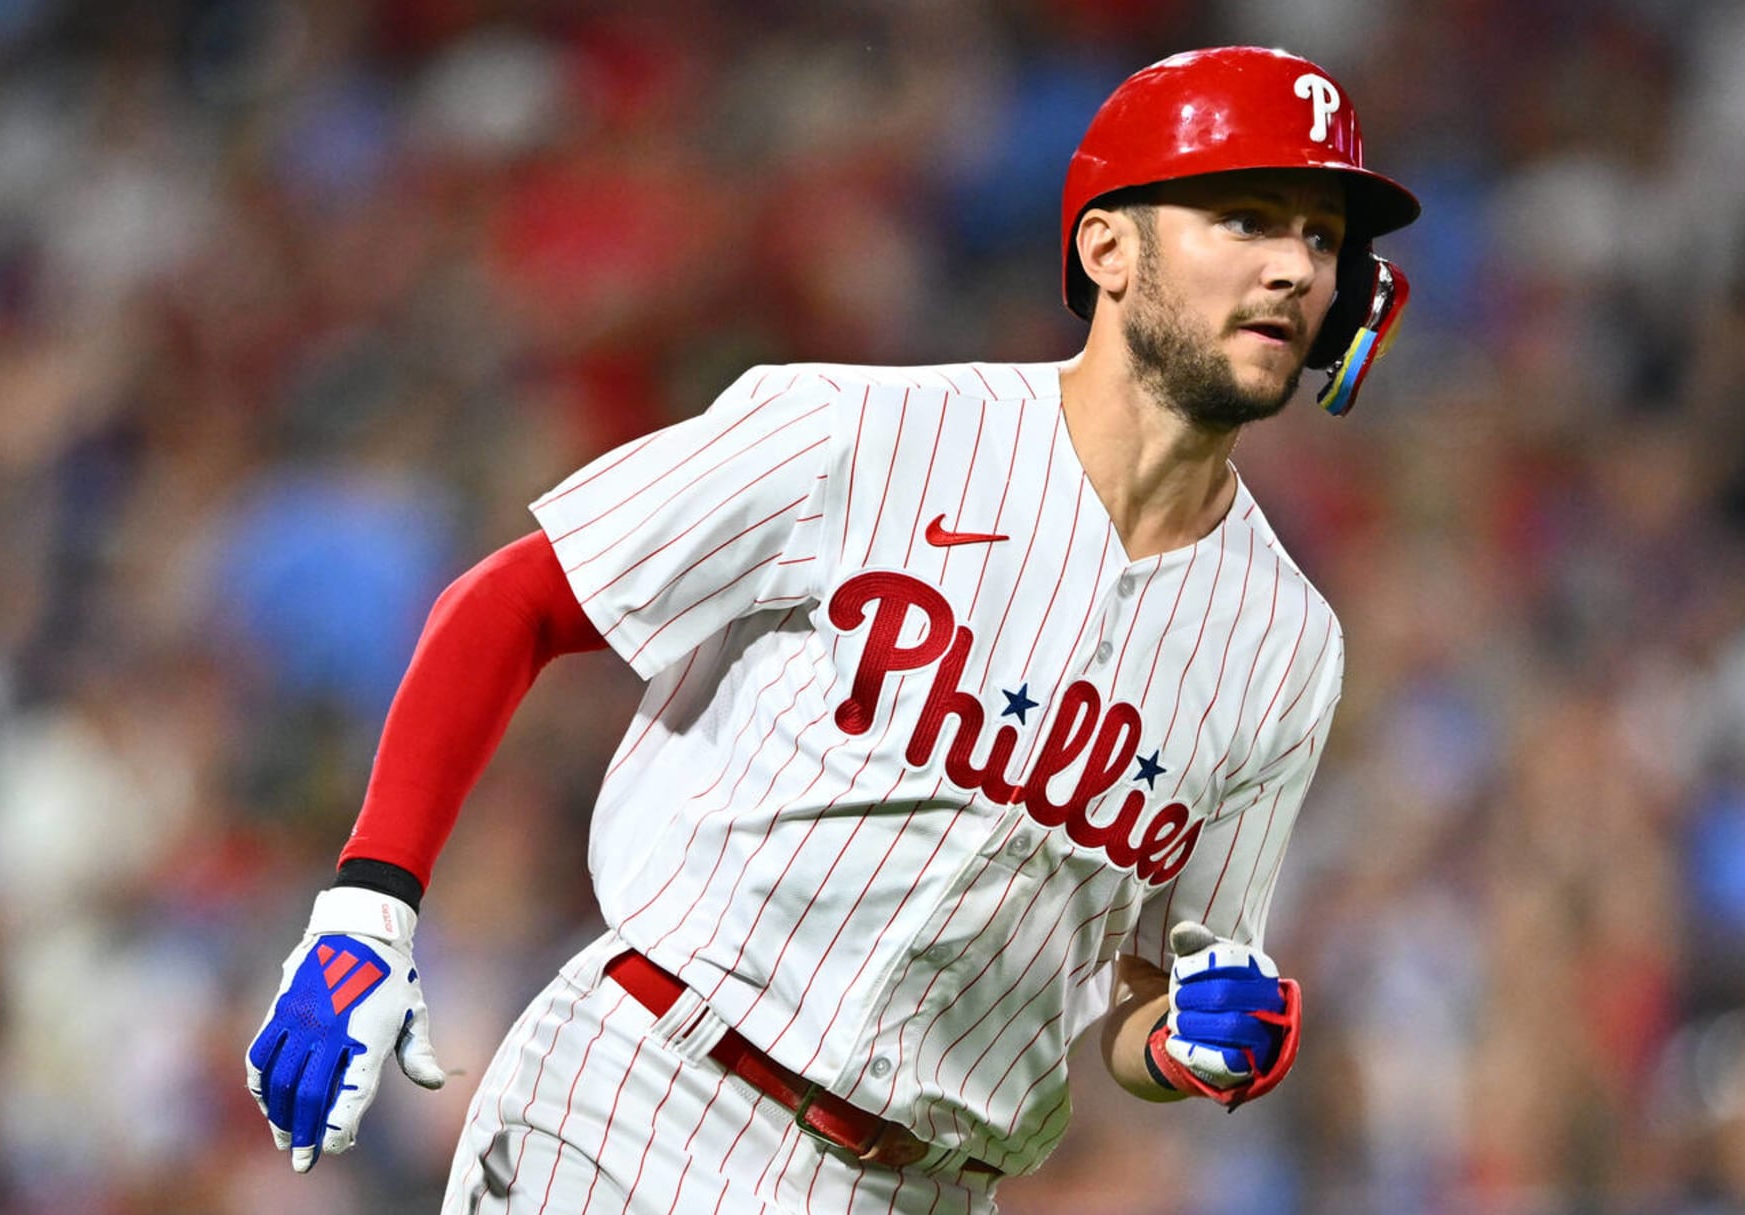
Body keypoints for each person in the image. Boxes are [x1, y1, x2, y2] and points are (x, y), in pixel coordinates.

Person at [245, 45, 1418, 1215]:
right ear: (1108, 247)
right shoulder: (864, 434)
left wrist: (1187, 1047)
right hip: (642, 1105)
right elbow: (514, 600)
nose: (1291, 269)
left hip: (929, 1193)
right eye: (1245, 218)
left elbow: (1145, 996)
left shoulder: (1286, 647)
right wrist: (370, 900)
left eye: (1321, 238)